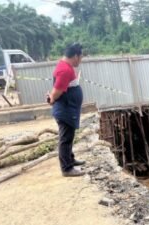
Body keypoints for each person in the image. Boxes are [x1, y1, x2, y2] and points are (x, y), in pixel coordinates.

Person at [47, 43, 85, 177]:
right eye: (81, 57)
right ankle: (67, 168)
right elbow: (56, 92)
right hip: (65, 110)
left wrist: (52, 97)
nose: (81, 60)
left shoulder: (65, 67)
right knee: (66, 139)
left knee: (69, 136)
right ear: (75, 56)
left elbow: (58, 88)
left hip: (69, 109)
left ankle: (70, 159)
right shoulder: (65, 70)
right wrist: (52, 98)